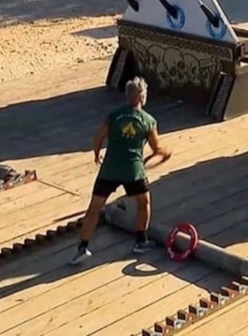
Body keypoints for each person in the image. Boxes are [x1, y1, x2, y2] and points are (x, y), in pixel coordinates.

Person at [70, 77, 172, 265]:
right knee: (143, 202)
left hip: (109, 168)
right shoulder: (149, 121)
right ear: (142, 97)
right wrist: (164, 154)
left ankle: (82, 248)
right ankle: (141, 240)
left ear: (127, 96)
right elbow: (157, 149)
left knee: (94, 208)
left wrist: (96, 154)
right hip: (133, 170)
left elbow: (97, 139)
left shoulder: (113, 116)